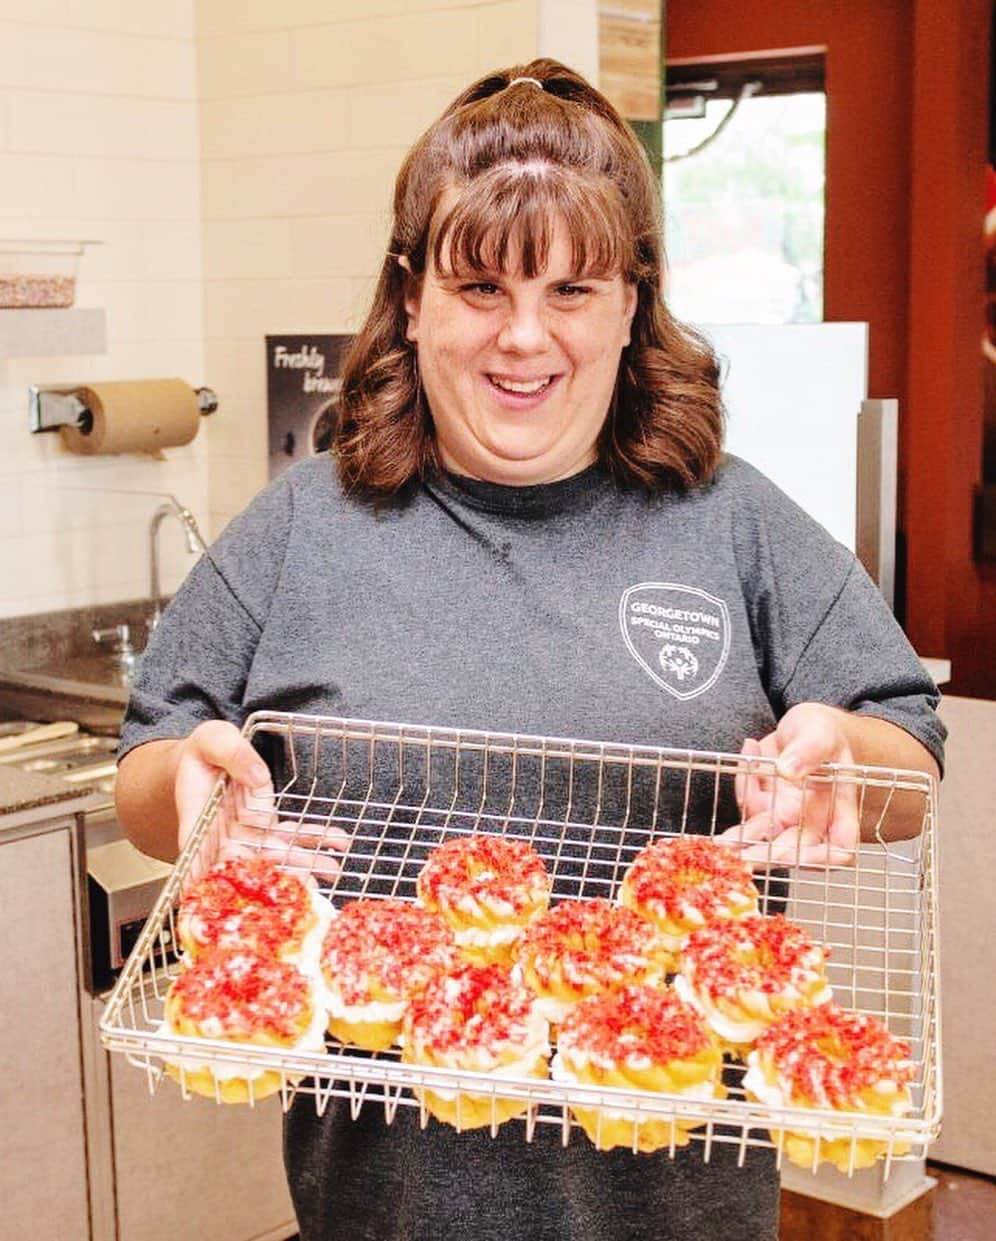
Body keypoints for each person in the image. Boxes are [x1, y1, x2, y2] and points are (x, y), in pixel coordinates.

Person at [116, 59, 944, 1241]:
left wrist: (846, 762)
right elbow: (150, 763)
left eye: (571, 288)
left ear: (630, 302)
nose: (523, 337)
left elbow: (908, 758)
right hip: (377, 1213)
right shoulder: (304, 525)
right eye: (479, 286)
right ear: (411, 297)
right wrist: (188, 793)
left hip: (684, 1215)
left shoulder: (734, 519)